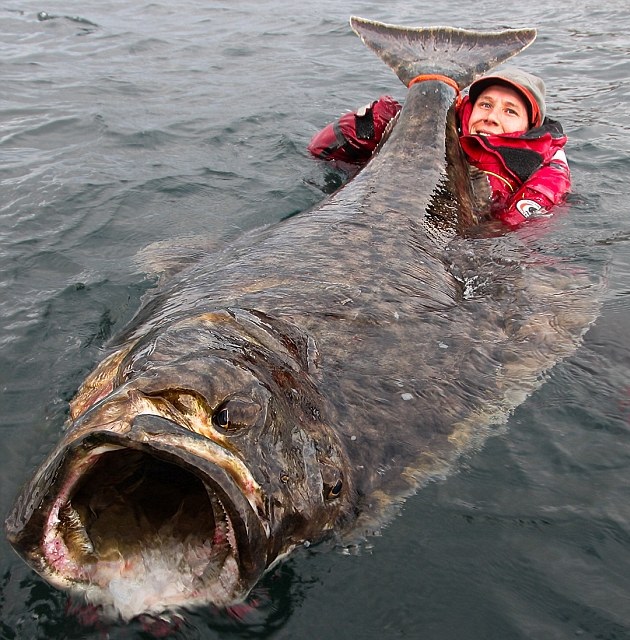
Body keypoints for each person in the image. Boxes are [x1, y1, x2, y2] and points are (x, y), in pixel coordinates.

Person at [307, 67, 571, 227]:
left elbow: (523, 230)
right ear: (468, 110)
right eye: (486, 105)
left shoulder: (545, 168)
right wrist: (370, 124)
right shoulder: (427, 132)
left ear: (529, 126)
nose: (492, 117)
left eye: (510, 111)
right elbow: (320, 152)